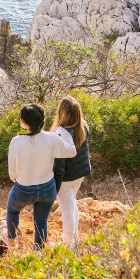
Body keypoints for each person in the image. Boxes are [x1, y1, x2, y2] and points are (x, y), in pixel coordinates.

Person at [4, 103, 77, 250]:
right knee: (41, 220)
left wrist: (16, 179)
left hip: (23, 189)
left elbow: (12, 172)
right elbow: (72, 152)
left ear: (24, 122)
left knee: (13, 210)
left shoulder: (16, 141)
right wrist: (65, 134)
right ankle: (38, 251)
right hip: (47, 188)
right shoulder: (53, 138)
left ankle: (11, 239)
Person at [51, 95, 91, 247]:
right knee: (71, 204)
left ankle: (69, 245)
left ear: (62, 113)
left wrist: (55, 185)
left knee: (67, 210)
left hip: (66, 178)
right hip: (79, 175)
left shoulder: (61, 132)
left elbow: (59, 164)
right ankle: (73, 239)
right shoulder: (83, 125)